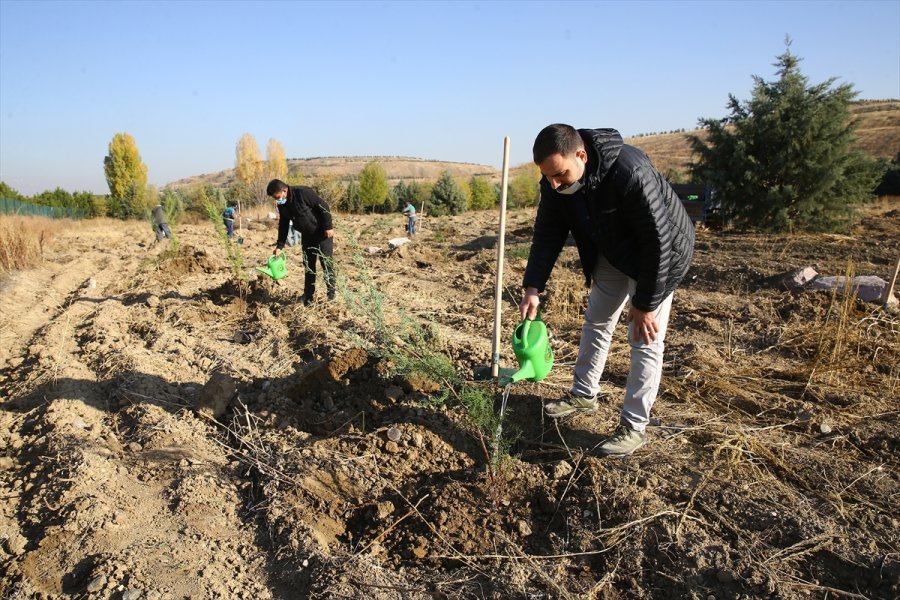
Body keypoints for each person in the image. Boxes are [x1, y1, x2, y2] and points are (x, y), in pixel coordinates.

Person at [520, 124, 695, 456]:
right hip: (612, 249)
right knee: (596, 320)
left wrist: (645, 303)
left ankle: (634, 427)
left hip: (660, 255)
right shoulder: (555, 181)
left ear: (581, 155)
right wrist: (533, 286)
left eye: (560, 174)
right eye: (548, 177)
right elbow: (547, 233)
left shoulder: (630, 171)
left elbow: (657, 242)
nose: (554, 184)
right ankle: (583, 394)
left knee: (644, 337)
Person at [266, 179, 336, 304]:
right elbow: (283, 224)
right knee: (308, 265)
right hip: (307, 236)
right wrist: (280, 246)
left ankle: (331, 295)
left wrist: (328, 226)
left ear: (284, 190)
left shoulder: (303, 193)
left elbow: (323, 206)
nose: (276, 200)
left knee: (326, 263)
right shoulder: (282, 205)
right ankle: (308, 296)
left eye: (277, 197)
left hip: (322, 233)